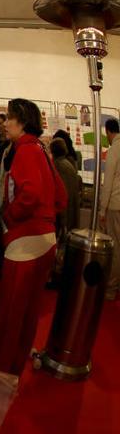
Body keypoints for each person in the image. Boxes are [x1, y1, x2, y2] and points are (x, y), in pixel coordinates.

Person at [0, 98, 66, 375]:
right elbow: (61, 197)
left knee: (10, 313)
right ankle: (13, 370)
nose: (5, 124)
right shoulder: (41, 150)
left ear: (22, 122)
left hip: (25, 241)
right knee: (28, 312)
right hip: (45, 239)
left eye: (10, 118)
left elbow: (29, 194)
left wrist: (9, 218)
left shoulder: (25, 151)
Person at [99, 118, 120, 299]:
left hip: (116, 204)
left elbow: (108, 183)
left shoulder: (114, 149)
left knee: (116, 247)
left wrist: (102, 209)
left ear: (107, 132)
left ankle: (111, 289)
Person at [50, 138, 80, 242]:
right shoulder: (68, 164)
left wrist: (63, 222)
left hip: (66, 216)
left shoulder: (59, 166)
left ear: (53, 151)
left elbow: (62, 194)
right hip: (71, 212)